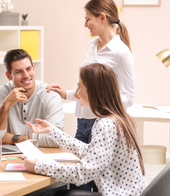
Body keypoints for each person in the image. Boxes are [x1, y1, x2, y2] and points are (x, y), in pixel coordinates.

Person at [46, 0, 135, 190]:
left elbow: (129, 97)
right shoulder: (92, 45)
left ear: (102, 17)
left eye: (88, 19)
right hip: (82, 123)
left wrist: (99, 102)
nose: (86, 24)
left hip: (101, 124)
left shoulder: (121, 53)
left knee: (94, 183)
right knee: (77, 186)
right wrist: (68, 94)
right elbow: (91, 87)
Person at [25, 63, 147, 196]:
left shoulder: (105, 124)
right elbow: (90, 152)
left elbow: (82, 173)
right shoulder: (119, 119)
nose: (76, 94)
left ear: (93, 91)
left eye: (79, 87)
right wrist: (52, 131)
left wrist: (39, 166)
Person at [0, 49, 64, 147]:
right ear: (9, 76)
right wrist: (5, 105)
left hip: (43, 154)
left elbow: (57, 139)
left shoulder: (50, 95)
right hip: (10, 155)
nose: (26, 75)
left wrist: (14, 138)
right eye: (18, 72)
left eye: (28, 69)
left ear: (33, 69)